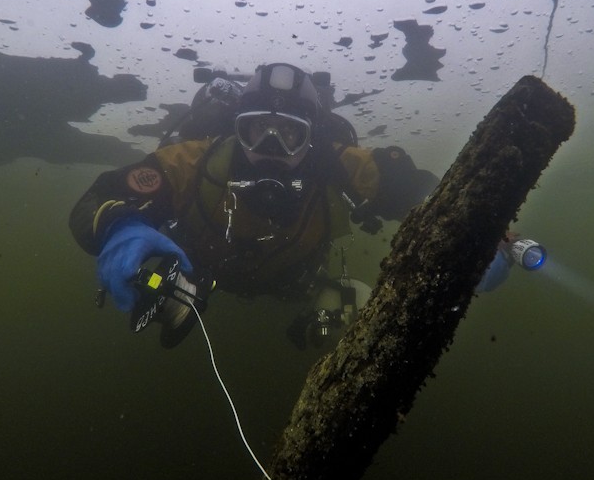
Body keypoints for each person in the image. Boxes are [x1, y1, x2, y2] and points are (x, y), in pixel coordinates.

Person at [69, 62, 439, 347]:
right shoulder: (196, 163)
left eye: (291, 132)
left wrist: (461, 221)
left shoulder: (338, 166)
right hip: (199, 270)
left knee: (347, 309)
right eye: (256, 128)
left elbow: (406, 182)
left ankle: (320, 301)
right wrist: (121, 228)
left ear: (313, 139)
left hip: (294, 282)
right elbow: (100, 198)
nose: (272, 145)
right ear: (236, 129)